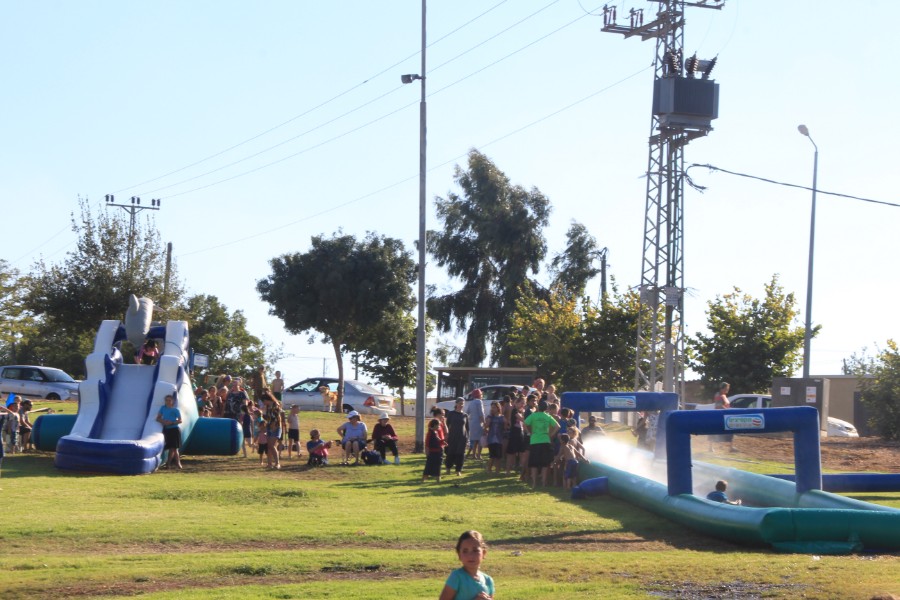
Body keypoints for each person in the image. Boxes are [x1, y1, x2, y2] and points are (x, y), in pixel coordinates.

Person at [439, 530, 494, 600]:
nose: (470, 556)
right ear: (459, 555)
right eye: (465, 551)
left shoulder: (488, 581)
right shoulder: (457, 577)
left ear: (484, 553)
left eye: (475, 550)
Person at [524, 399, 560, 488]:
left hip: (534, 441)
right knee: (545, 464)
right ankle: (544, 483)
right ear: (546, 408)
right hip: (545, 440)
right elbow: (557, 426)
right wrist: (551, 435)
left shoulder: (533, 416)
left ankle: (534, 483)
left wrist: (529, 432)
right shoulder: (547, 416)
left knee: (534, 464)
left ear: (538, 407)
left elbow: (524, 423)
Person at [156, 394, 183, 469]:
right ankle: (174, 463)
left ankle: (171, 463)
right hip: (167, 429)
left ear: (172, 401)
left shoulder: (175, 410)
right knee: (171, 447)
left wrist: (172, 422)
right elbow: (158, 418)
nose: (168, 402)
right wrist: (163, 421)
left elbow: (180, 420)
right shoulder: (163, 408)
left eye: (169, 400)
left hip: (174, 429)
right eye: (166, 400)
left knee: (173, 448)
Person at [444, 398, 469, 476]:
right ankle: (448, 468)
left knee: (460, 454)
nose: (461, 405)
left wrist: (467, 438)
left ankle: (458, 470)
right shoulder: (451, 414)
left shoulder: (465, 415)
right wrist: (446, 435)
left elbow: (467, 428)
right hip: (452, 437)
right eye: (460, 403)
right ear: (456, 404)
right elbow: (447, 425)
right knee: (450, 453)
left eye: (462, 404)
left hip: (462, 438)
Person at [711, 382, 737, 452]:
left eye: (727, 389)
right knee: (714, 431)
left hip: (724, 416)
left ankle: (731, 447)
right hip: (719, 416)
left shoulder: (723, 395)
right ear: (722, 388)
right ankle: (710, 447)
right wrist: (727, 410)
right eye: (726, 388)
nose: (727, 390)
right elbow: (719, 406)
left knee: (730, 430)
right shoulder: (719, 395)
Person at [484, 401, 505, 475]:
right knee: (492, 456)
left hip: (499, 439)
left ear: (498, 408)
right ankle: (489, 469)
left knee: (498, 456)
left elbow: (505, 427)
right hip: (491, 439)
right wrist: (487, 423)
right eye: (492, 407)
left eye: (494, 407)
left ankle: (497, 470)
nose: (493, 409)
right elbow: (485, 427)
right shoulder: (490, 417)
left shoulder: (502, 417)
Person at [423, 418, 447, 483]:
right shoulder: (430, 433)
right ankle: (424, 479)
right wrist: (427, 452)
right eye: (438, 425)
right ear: (434, 425)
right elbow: (427, 443)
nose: (439, 427)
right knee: (429, 465)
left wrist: (443, 442)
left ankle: (438, 479)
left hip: (439, 452)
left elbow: (438, 440)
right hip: (432, 452)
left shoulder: (436, 432)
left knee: (438, 465)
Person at [465, 389, 486, 460]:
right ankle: (479, 455)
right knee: (480, 440)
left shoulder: (471, 402)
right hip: (479, 422)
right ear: (479, 395)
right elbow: (481, 413)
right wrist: (484, 422)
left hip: (472, 422)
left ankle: (474, 455)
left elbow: (467, 412)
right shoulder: (479, 402)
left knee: (474, 440)